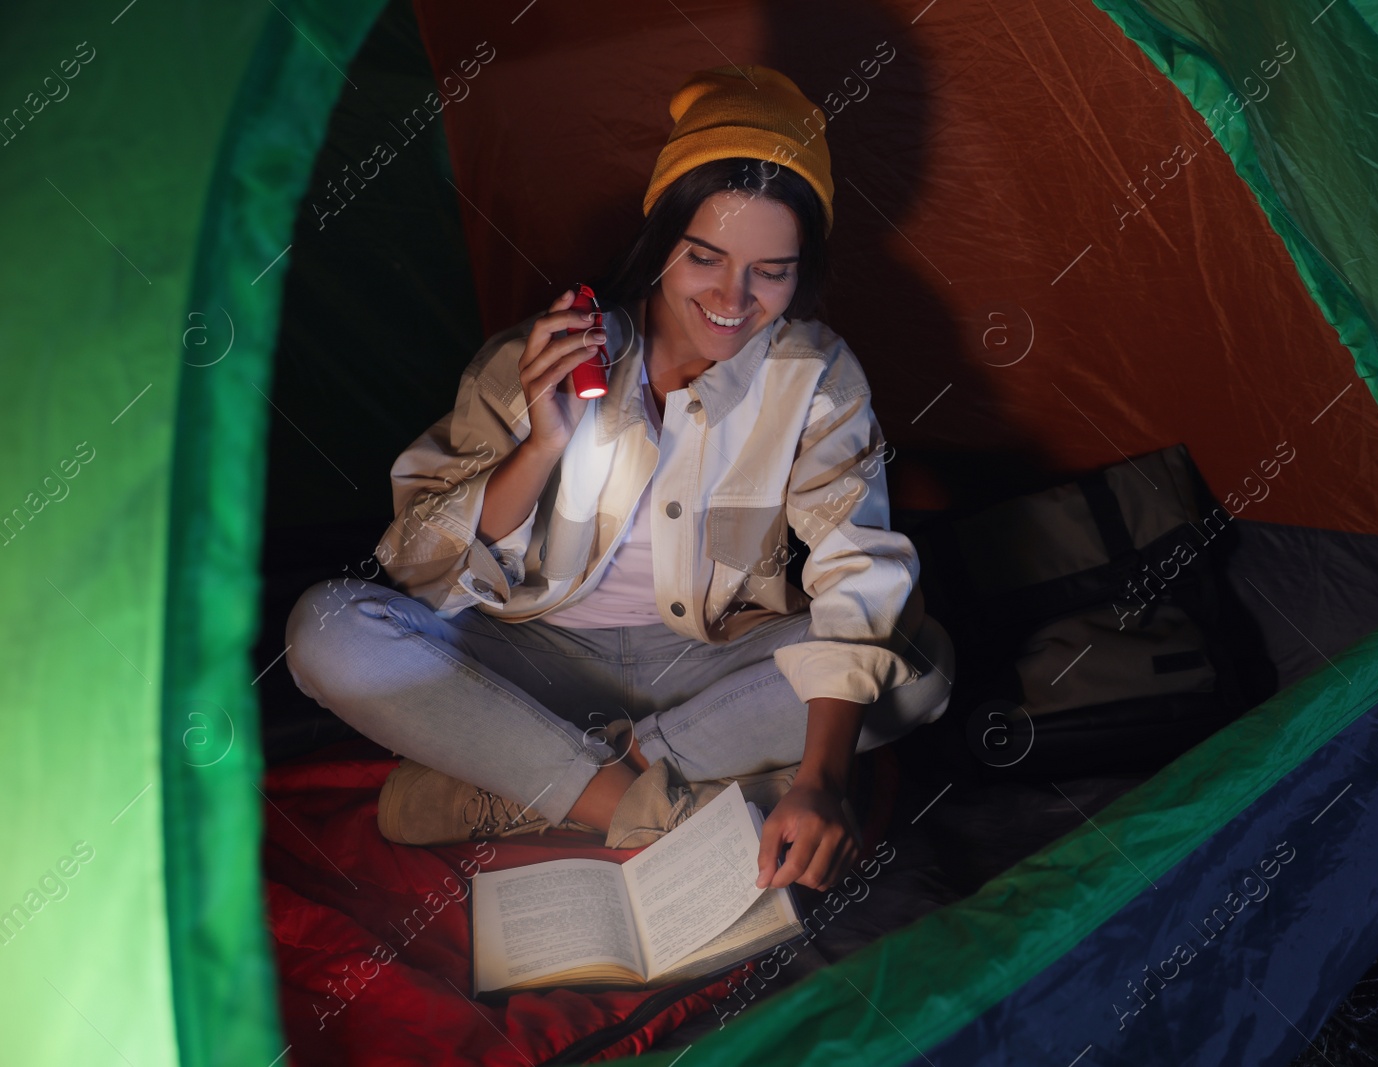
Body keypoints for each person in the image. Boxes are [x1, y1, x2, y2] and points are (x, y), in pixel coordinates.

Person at [285, 64, 953, 894]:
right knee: (327, 626)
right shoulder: (545, 355)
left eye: (770, 272)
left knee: (919, 665)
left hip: (706, 663)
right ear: (662, 233)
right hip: (532, 651)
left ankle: (539, 785)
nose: (731, 299)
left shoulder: (814, 377)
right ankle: (642, 804)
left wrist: (819, 781)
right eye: (704, 256)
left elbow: (861, 567)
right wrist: (539, 444)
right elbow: (418, 566)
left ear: (803, 268)